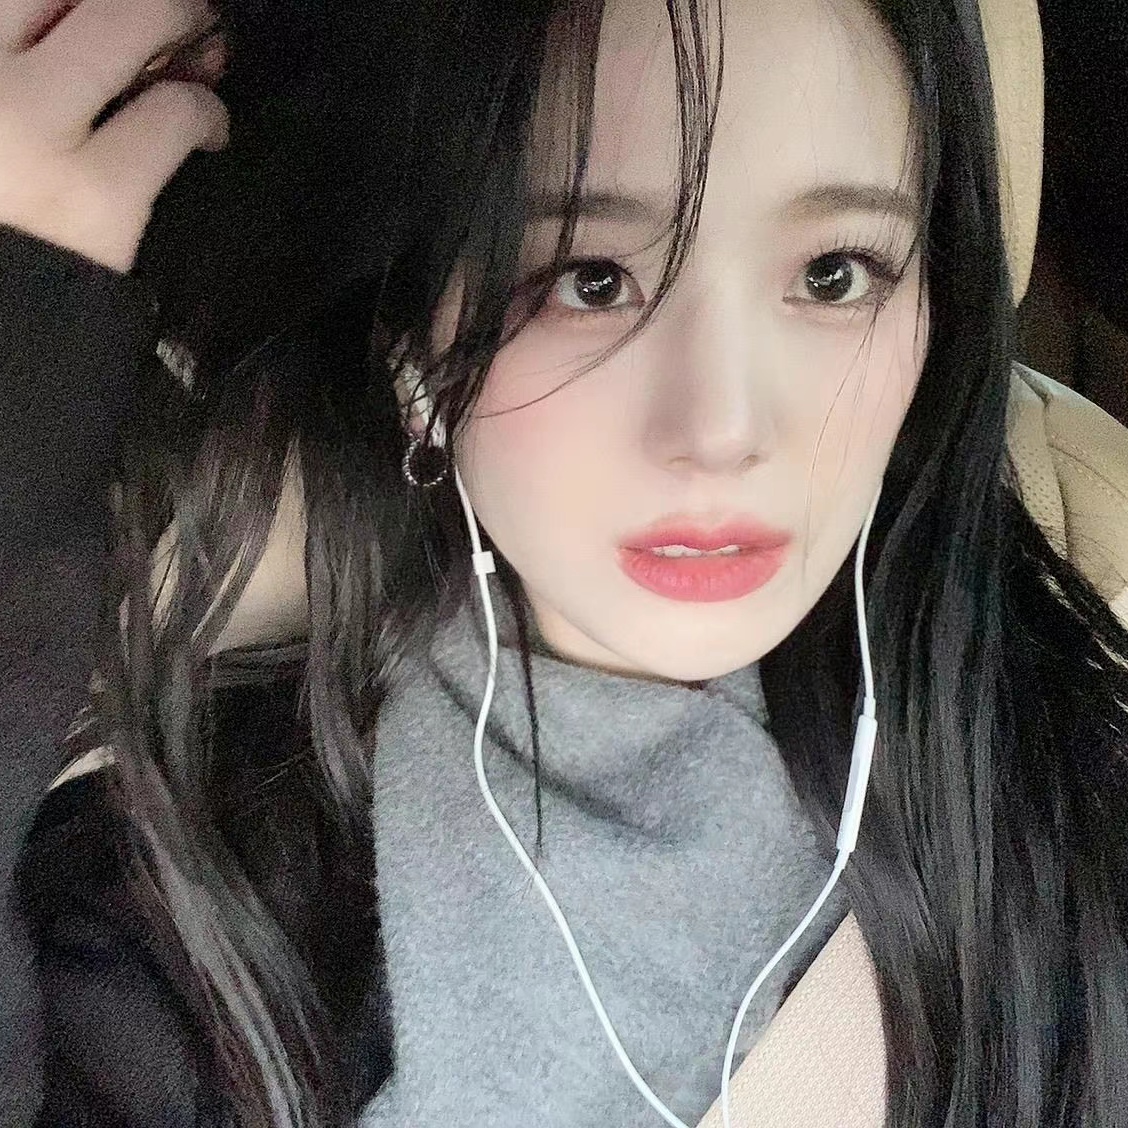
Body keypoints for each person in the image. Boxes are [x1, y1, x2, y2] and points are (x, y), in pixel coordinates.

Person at [2, 2, 1127, 1128]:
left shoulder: (1079, 788)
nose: (723, 428)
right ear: (413, 362)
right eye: (590, 280)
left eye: (835, 275)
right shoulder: (196, 907)